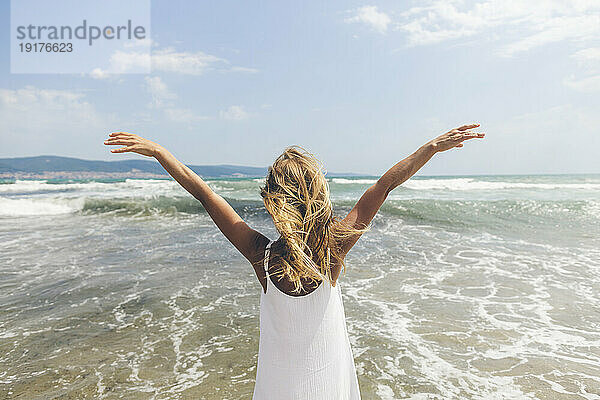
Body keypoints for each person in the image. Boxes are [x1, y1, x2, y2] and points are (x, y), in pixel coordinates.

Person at [104, 124, 485, 399]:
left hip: (278, 386)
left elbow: (204, 194)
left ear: (273, 199)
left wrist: (160, 153)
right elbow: (383, 185)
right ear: (319, 195)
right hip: (328, 381)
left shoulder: (261, 255)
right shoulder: (332, 251)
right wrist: (431, 147)